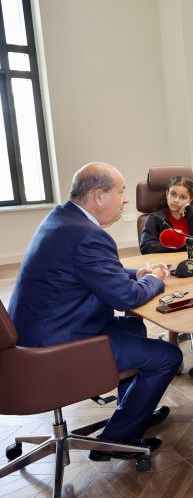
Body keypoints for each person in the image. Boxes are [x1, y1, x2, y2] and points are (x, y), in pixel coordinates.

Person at [8, 163, 182, 459]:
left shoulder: (63, 219)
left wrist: (137, 273)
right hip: (51, 351)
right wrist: (154, 279)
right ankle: (116, 440)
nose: (126, 199)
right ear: (99, 196)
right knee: (169, 356)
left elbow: (90, 270)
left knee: (133, 328)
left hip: (35, 336)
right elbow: (126, 298)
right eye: (121, 191)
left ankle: (131, 414)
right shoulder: (88, 235)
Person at [139, 176, 193, 254]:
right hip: (168, 260)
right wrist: (183, 246)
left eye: (182, 197)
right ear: (167, 194)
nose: (176, 200)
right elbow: (146, 247)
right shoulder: (155, 218)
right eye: (173, 194)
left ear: (190, 200)